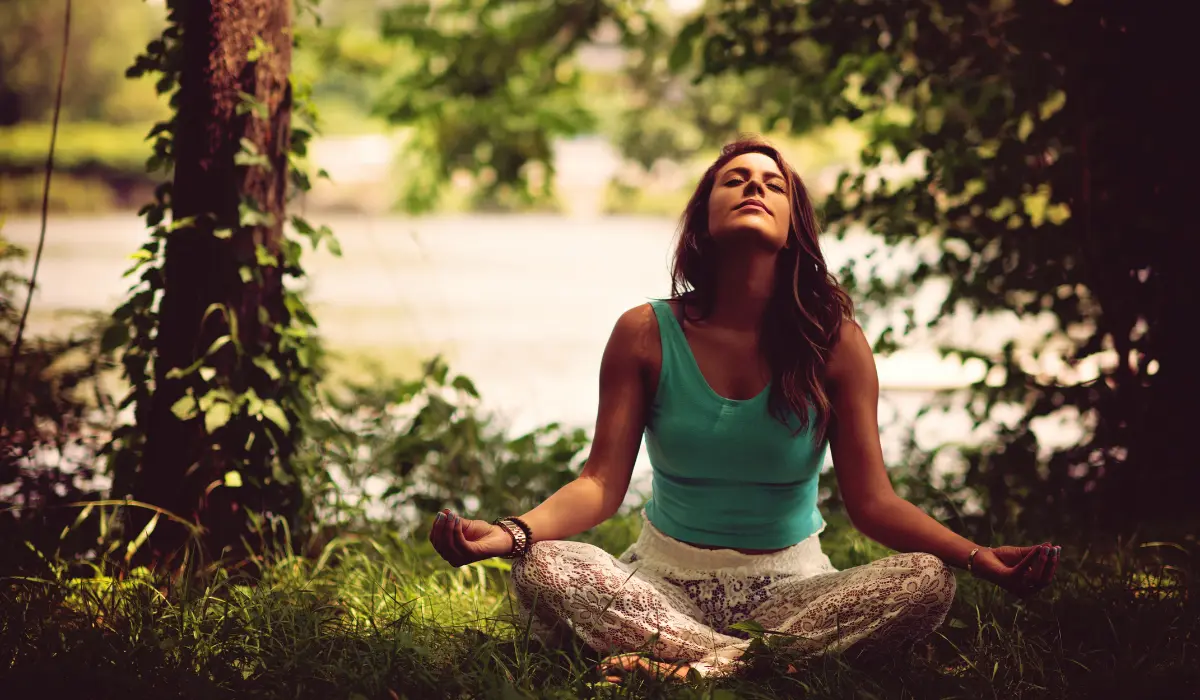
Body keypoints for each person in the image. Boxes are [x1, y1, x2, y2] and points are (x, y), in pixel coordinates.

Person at [428, 137, 1061, 682]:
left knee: (926, 580)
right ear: (703, 219)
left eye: (772, 184)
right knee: (544, 565)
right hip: (659, 588)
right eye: (735, 180)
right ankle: (744, 662)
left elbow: (873, 503)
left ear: (793, 227)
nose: (754, 187)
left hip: (792, 592)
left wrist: (977, 557)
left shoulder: (835, 343)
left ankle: (698, 665)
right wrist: (512, 533)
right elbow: (599, 484)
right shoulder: (644, 333)